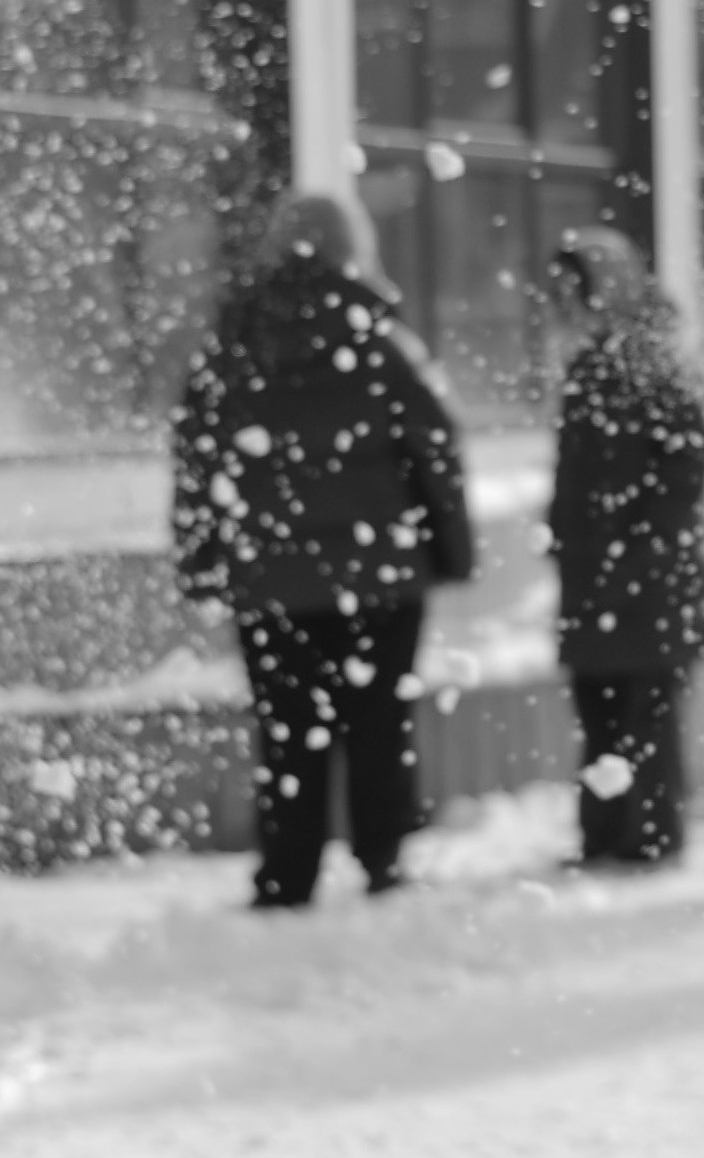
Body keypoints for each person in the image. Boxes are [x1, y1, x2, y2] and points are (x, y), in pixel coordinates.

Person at [170, 191, 475, 906]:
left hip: (271, 576)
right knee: (378, 724)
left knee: (288, 732)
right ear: (352, 248)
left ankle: (289, 869)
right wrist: (449, 549)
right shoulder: (380, 343)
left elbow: (195, 460)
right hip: (380, 575)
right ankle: (382, 857)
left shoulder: (234, 343)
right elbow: (434, 448)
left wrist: (202, 558)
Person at [540, 224, 704, 869]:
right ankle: (608, 833)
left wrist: (633, 555)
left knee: (645, 714)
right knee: (604, 713)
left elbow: (681, 479)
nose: (559, 309)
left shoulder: (648, 365)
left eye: (571, 293)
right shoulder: (593, 367)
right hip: (601, 581)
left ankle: (647, 834)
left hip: (644, 585)